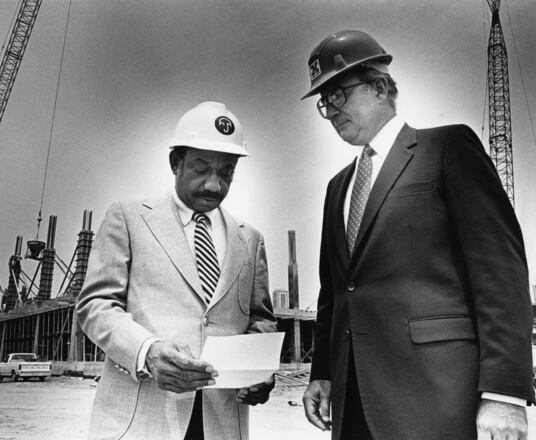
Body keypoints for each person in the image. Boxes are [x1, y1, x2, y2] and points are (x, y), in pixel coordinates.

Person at [300, 30, 534, 440]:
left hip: (436, 399)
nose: (331, 109)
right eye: (324, 102)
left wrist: (504, 391)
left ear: (378, 87)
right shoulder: (338, 188)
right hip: (353, 403)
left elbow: (499, 270)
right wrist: (322, 373)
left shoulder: (446, 148)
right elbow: (334, 296)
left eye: (338, 93)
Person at [76, 101, 276, 440]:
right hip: (142, 421)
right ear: (175, 163)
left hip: (223, 424)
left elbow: (261, 319)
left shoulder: (250, 239)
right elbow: (95, 306)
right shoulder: (128, 218)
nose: (214, 185)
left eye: (226, 171)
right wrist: (148, 351)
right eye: (201, 168)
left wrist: (260, 371)